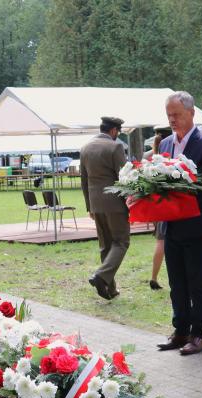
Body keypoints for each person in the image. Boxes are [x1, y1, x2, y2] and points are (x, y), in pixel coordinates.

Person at [156, 92, 202, 355]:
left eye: (177, 114)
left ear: (191, 113)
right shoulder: (165, 143)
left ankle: (199, 335)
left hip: (198, 226)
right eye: (169, 115)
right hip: (172, 227)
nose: (172, 119)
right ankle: (180, 330)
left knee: (199, 285)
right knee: (177, 283)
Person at [80, 116, 129, 300]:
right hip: (115, 203)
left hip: (95, 203)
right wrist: (130, 202)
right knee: (121, 242)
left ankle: (109, 288)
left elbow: (84, 181)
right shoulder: (115, 147)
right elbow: (124, 178)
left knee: (105, 245)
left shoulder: (85, 147)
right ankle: (101, 277)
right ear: (114, 130)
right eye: (118, 132)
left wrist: (89, 206)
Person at [144, 125, 172, 290]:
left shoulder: (149, 157)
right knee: (167, 242)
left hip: (155, 204)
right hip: (171, 203)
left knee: (160, 241)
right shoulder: (172, 154)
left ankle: (154, 276)